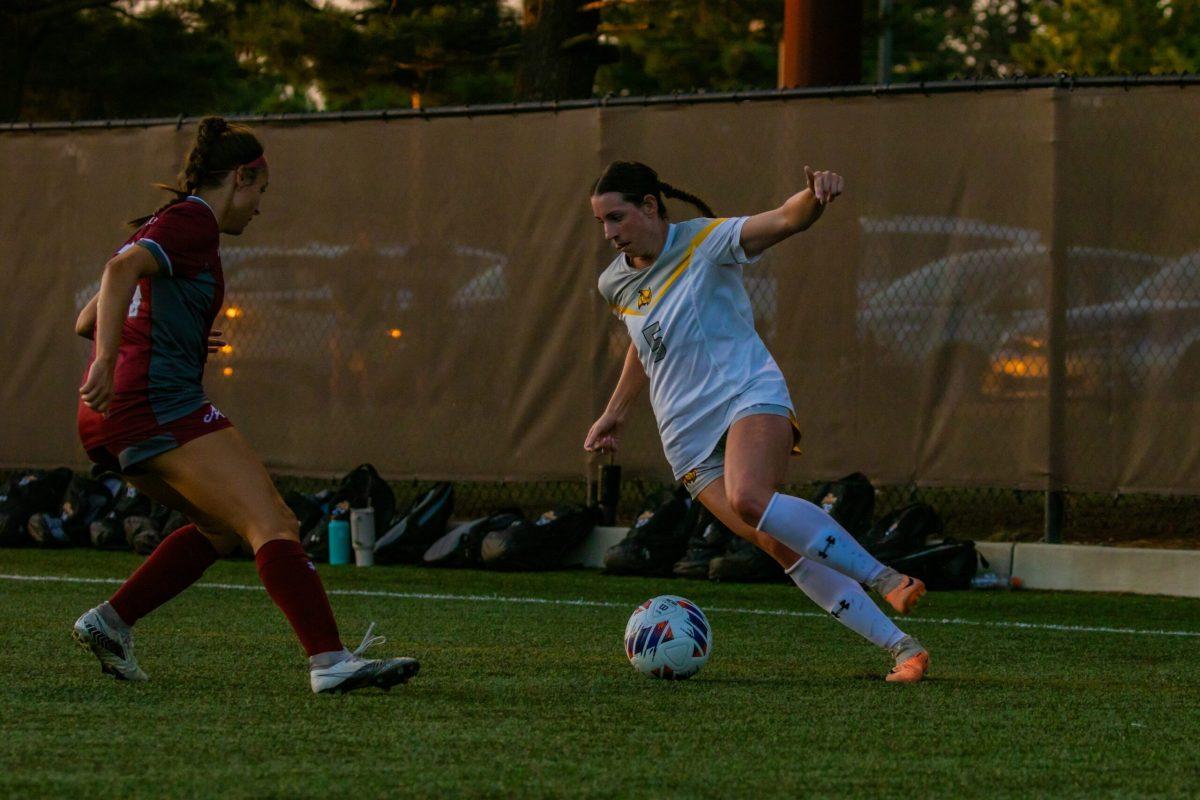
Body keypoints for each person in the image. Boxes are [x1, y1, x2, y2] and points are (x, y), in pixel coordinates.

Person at [71, 116, 418, 694]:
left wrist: (168, 335)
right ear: (240, 177)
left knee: (217, 530)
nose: (258, 207)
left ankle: (110, 623)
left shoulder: (168, 224)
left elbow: (88, 316)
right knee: (272, 521)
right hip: (154, 403)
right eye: (259, 191)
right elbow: (116, 274)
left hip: (108, 415)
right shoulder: (193, 219)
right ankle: (330, 661)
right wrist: (108, 362)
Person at [584, 161, 930, 683]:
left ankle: (888, 577)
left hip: (746, 393)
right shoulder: (614, 282)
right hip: (686, 439)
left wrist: (815, 198)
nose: (609, 233)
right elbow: (643, 344)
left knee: (750, 496)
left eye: (617, 217)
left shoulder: (706, 240)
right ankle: (905, 650)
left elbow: (784, 219)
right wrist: (615, 412)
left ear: (651, 206)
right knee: (780, 546)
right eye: (601, 222)